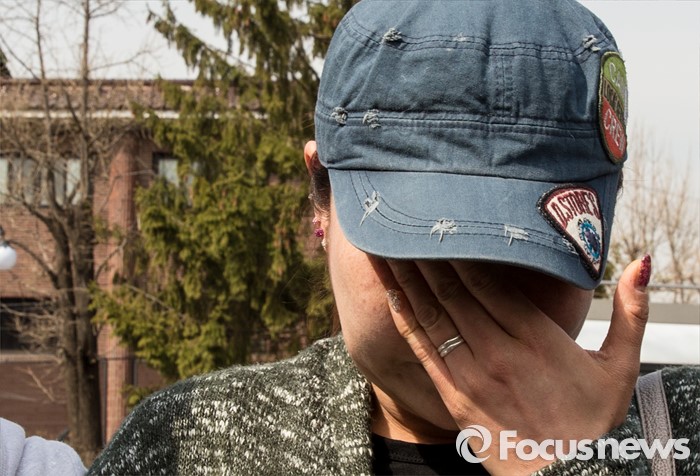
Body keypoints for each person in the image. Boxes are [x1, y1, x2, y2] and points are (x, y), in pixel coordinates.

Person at [88, 1, 699, 475]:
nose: (471, 303)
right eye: (418, 243)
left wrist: (575, 460)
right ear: (321, 199)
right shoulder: (190, 445)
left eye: (528, 246)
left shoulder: (682, 435)